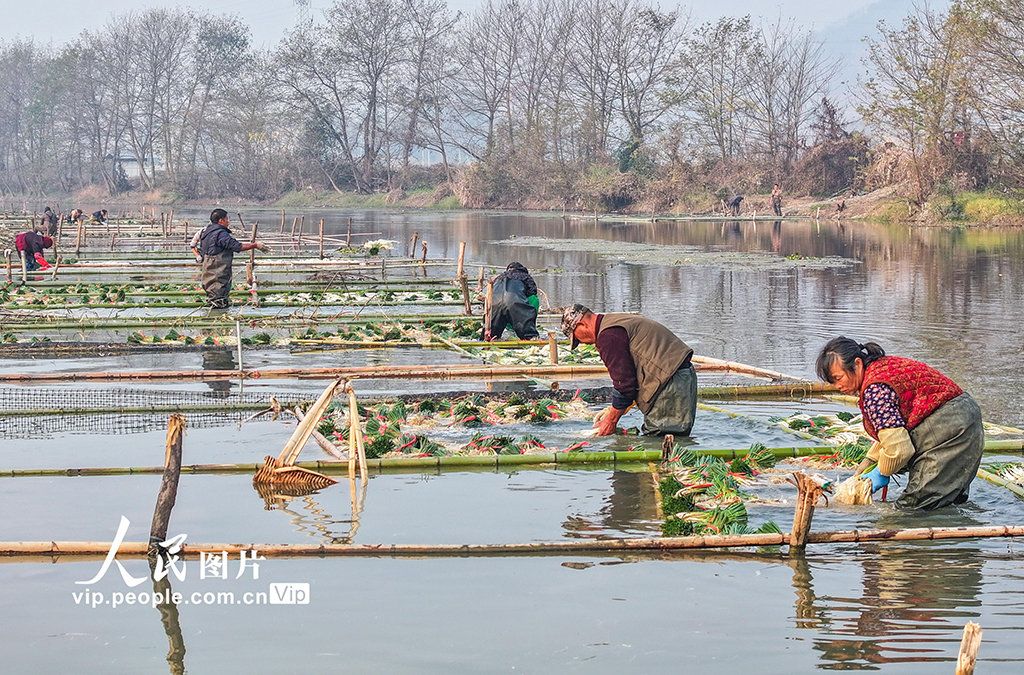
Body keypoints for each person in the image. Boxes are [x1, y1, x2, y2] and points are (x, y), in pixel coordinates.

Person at [815, 337, 983, 510]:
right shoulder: (881, 368)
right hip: (964, 415)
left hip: (951, 428)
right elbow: (892, 428)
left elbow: (900, 450)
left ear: (857, 364)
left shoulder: (875, 390)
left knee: (913, 509)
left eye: (839, 378)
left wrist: (881, 472)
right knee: (947, 500)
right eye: (833, 382)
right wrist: (870, 460)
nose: (837, 386)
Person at [561, 304, 696, 436]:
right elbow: (631, 375)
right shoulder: (613, 323)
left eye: (577, 338)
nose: (582, 342)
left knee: (662, 440)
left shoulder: (608, 336)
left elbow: (624, 383)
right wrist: (613, 408)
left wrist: (612, 419)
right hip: (677, 377)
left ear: (582, 325)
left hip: (670, 383)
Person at [197, 208, 269, 309]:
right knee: (219, 295)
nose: (228, 221)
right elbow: (236, 246)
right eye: (226, 219)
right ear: (221, 220)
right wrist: (255, 245)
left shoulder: (206, 232)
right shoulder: (220, 233)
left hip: (208, 268)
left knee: (213, 295)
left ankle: (214, 314)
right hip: (217, 268)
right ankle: (218, 318)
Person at [484, 262, 540, 341]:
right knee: (529, 338)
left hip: (494, 302)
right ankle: (528, 334)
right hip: (514, 302)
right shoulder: (526, 276)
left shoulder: (499, 277)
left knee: (491, 336)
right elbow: (532, 293)